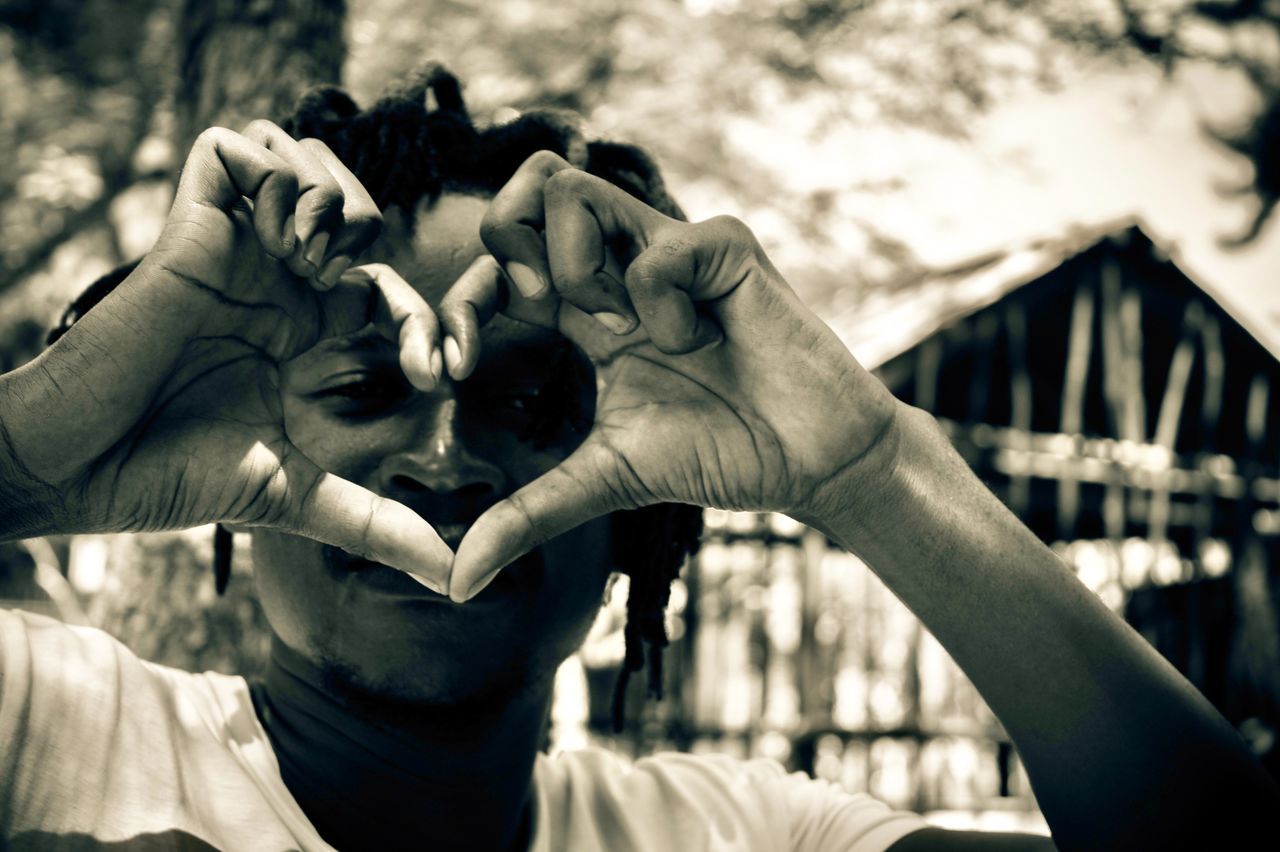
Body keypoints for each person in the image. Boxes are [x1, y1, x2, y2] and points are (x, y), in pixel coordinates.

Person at [0, 65, 1275, 852]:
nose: (446, 464)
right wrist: (22, 462)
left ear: (641, 525)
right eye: (363, 386)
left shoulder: (746, 838)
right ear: (233, 479)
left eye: (534, 400)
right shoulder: (43, 728)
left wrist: (869, 468)